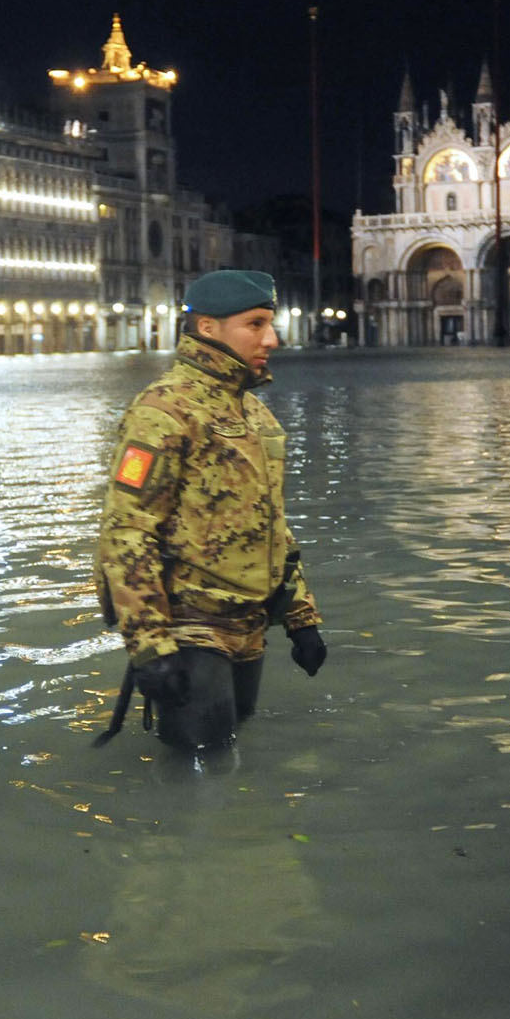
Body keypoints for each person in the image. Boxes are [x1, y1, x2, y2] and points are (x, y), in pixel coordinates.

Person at [94, 269, 327, 749]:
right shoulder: (162, 411)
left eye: (270, 323)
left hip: (249, 622)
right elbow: (127, 530)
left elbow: (271, 524)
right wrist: (150, 646)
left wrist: (301, 616)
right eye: (255, 324)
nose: (272, 339)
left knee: (233, 748)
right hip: (190, 624)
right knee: (201, 763)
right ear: (208, 327)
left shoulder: (254, 413)